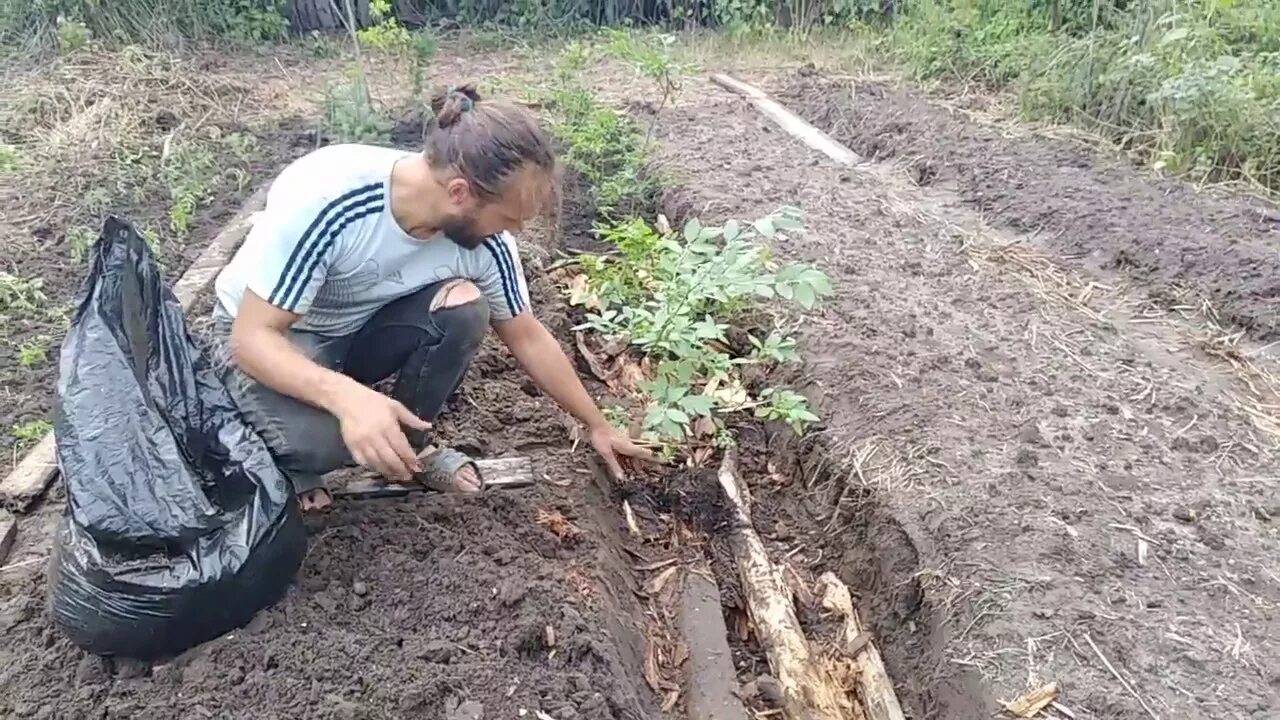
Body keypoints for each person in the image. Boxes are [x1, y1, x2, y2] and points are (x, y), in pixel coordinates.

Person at [210, 83, 653, 512]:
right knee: (327, 446)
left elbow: (527, 335)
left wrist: (597, 424)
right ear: (459, 193)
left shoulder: (486, 242)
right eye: (508, 218)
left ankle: (411, 449)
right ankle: (290, 462)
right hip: (271, 338)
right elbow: (252, 338)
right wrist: (348, 398)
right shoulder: (332, 201)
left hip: (353, 332)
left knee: (464, 307)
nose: (514, 232)